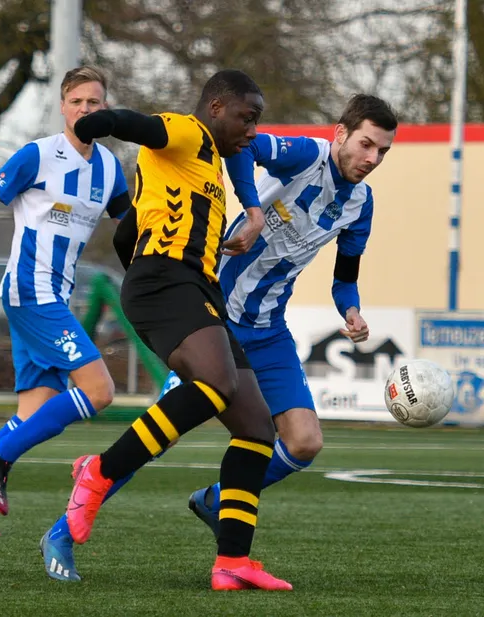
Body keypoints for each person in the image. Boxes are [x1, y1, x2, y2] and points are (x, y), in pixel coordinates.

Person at [40, 94, 398, 584]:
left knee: (303, 441)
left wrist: (351, 310)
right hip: (212, 319)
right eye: (366, 145)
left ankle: (219, 503)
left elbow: (345, 278)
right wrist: (253, 210)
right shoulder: (304, 155)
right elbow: (244, 149)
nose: (372, 158)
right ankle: (61, 531)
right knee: (158, 438)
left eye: (382, 151)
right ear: (341, 134)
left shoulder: (360, 204)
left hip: (268, 329)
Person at [49, 69, 293, 591]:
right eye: (247, 117)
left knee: (257, 428)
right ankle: (100, 471)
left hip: (192, 289)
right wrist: (95, 123)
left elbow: (127, 234)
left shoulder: (204, 166)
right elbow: (136, 124)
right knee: (216, 382)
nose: (252, 130)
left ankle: (233, 561)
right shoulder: (186, 132)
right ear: (216, 108)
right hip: (167, 281)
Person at [0, 66, 131, 537]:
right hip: (30, 291)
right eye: (77, 102)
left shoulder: (109, 167)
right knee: (99, 391)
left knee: (33, 414)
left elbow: (131, 229)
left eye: (94, 102)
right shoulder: (39, 155)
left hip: (56, 295)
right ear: (63, 107)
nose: (85, 109)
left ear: (105, 108)